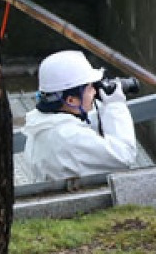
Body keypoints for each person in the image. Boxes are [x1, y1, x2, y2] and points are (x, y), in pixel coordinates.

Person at [22, 50, 139, 182]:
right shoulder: (70, 136)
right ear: (71, 100)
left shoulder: (41, 124)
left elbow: (83, 127)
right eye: (90, 87)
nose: (95, 91)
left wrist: (102, 105)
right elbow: (125, 155)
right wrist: (115, 104)